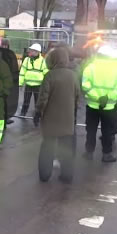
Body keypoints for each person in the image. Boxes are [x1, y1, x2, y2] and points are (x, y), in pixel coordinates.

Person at [34, 47, 80, 183]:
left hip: (51, 119)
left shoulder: (50, 76)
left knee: (47, 146)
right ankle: (67, 175)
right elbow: (77, 96)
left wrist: (38, 112)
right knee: (66, 147)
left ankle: (44, 174)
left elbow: (43, 99)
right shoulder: (73, 75)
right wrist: (74, 112)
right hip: (68, 118)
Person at [82, 45, 117, 162]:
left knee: (91, 130)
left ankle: (89, 152)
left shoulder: (89, 68)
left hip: (92, 105)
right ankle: (107, 154)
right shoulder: (116, 70)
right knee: (107, 131)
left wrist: (97, 97)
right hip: (109, 106)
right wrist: (107, 97)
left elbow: (85, 86)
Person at [19, 43, 49, 117]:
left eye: (33, 50)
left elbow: (46, 73)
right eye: (31, 50)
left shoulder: (43, 61)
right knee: (26, 100)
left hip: (38, 85)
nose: (31, 52)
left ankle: (37, 114)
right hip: (28, 84)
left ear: (37, 52)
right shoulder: (27, 60)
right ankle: (23, 113)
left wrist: (46, 84)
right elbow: (22, 72)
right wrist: (20, 83)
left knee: (38, 102)